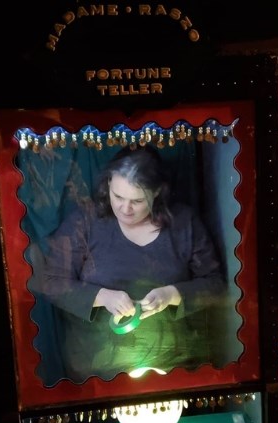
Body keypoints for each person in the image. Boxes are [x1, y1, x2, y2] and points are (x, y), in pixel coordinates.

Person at [39, 145, 226, 383]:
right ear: (107, 185)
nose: (124, 209)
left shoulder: (183, 224)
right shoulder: (85, 222)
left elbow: (215, 283)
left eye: (137, 201)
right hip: (100, 371)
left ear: (157, 192)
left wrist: (172, 294)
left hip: (173, 365)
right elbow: (51, 281)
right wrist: (103, 297)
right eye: (118, 196)